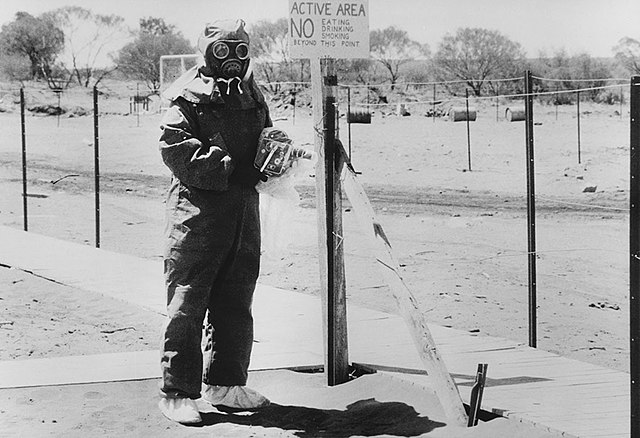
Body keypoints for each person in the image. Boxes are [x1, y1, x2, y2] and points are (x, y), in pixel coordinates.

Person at [157, 19, 272, 424]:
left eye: (239, 52)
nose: (231, 61)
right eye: (222, 51)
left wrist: (276, 160)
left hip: (242, 214)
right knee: (188, 302)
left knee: (236, 302)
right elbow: (174, 146)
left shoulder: (251, 97)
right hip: (197, 217)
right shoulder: (187, 97)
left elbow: (267, 138)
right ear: (207, 53)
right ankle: (177, 392)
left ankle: (225, 384)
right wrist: (226, 169)